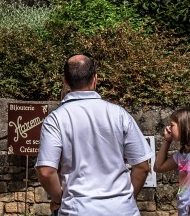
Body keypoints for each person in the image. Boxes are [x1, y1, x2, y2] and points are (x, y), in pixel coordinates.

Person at [37, 54, 151, 216]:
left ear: (65, 81)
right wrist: (125, 200)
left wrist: (57, 200)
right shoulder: (119, 115)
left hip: (78, 210)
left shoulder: (55, 120)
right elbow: (142, 166)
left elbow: (46, 171)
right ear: (95, 79)